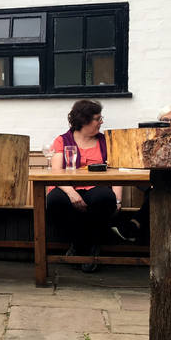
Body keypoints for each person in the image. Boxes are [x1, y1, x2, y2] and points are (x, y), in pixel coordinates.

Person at [45, 99, 122, 273]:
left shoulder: (106, 141)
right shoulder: (62, 141)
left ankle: (86, 246)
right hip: (67, 187)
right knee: (55, 200)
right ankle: (82, 245)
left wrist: (117, 199)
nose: (101, 122)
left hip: (96, 188)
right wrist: (72, 193)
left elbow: (117, 172)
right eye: (97, 118)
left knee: (105, 198)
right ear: (84, 120)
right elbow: (56, 173)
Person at [111, 104, 171, 242]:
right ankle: (139, 230)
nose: (168, 123)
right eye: (164, 120)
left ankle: (135, 228)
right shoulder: (152, 141)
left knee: (157, 192)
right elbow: (138, 166)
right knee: (155, 190)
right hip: (151, 182)